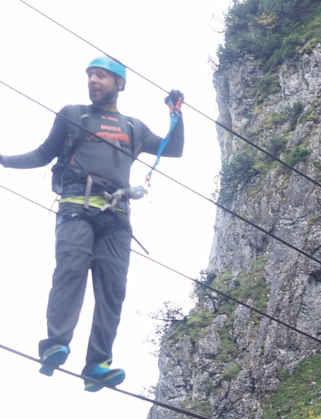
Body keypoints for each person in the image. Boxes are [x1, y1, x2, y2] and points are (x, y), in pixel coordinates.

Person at [0, 57, 184, 391]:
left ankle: (98, 363)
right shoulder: (73, 115)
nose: (93, 81)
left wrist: (176, 114)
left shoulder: (134, 128)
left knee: (113, 291)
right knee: (70, 271)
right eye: (90, 76)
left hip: (116, 217)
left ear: (120, 84)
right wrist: (5, 161)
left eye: (100, 76)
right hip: (77, 208)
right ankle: (55, 343)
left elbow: (174, 148)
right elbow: (43, 154)